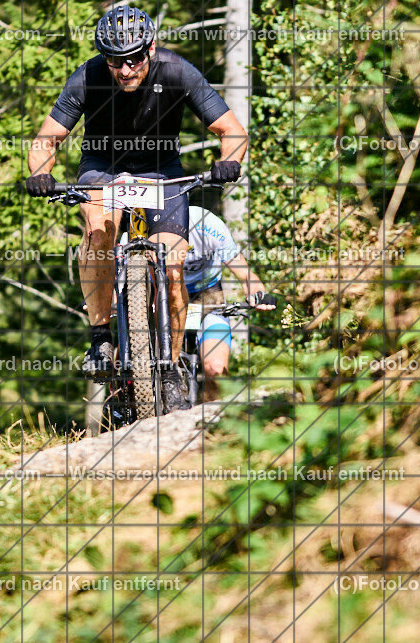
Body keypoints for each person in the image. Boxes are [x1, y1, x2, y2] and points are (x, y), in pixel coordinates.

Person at [25, 5, 248, 411]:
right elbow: (46, 140)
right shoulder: (88, 76)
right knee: (98, 229)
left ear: (151, 49)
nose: (125, 69)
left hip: (163, 174)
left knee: (174, 264)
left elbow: (231, 129)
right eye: (115, 61)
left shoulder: (178, 71)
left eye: (133, 59)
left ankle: (171, 366)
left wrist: (228, 160)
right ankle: (100, 337)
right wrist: (41, 172)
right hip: (103, 171)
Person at [184, 207, 275, 394]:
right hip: (162, 295)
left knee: (216, 370)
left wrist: (257, 294)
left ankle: (213, 420)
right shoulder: (146, 224)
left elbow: (245, 274)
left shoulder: (207, 224)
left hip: (208, 296)